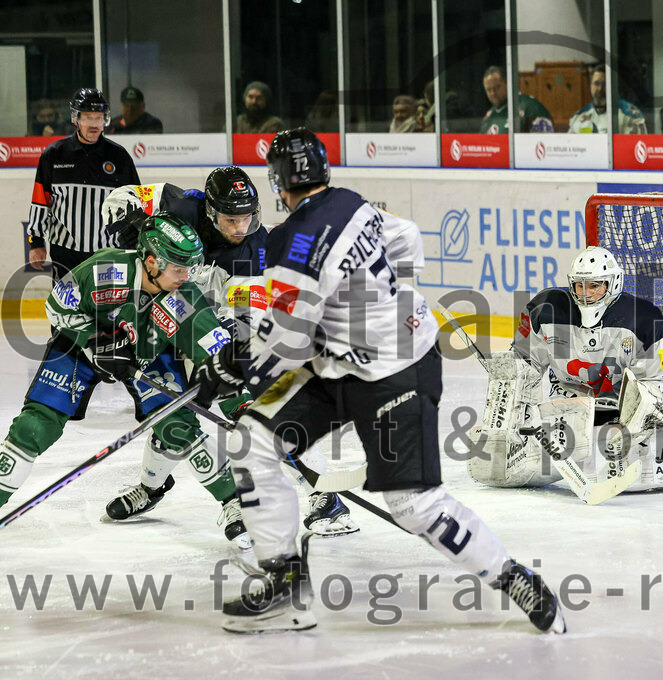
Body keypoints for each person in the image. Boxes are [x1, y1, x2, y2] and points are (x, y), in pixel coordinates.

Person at [195, 127, 566, 635]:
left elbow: (283, 333)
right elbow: (407, 235)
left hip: (395, 375)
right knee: (255, 440)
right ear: (323, 171)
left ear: (277, 184)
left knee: (414, 505)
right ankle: (285, 583)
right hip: (335, 367)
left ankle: (511, 575)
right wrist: (394, 298)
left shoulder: (293, 242)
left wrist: (227, 363)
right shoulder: (354, 204)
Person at [99, 170, 356, 538]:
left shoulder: (254, 252)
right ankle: (152, 486)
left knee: (254, 406)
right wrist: (135, 224)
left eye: (247, 217)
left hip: (208, 324)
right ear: (209, 211)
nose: (240, 227)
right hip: (155, 316)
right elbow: (118, 199)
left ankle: (325, 495)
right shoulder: (176, 203)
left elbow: (245, 320)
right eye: (231, 219)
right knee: (168, 410)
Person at [0, 215, 251, 554]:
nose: (186, 276)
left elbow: (220, 357)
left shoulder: (183, 298)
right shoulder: (104, 269)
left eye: (189, 267)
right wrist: (93, 339)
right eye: (178, 268)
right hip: (78, 348)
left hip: (145, 356)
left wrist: (242, 407)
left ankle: (233, 503)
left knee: (177, 426)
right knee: (34, 427)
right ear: (151, 261)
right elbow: (56, 305)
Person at [466, 246, 663, 492]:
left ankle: (619, 455)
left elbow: (659, 385)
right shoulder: (547, 308)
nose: (586, 294)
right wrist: (508, 417)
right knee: (499, 459)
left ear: (612, 284)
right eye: (580, 285)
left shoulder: (644, 318)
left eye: (595, 285)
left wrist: (633, 429)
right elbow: (523, 368)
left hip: (621, 419)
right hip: (565, 416)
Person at [27, 88, 141, 284]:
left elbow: (135, 203)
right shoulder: (53, 155)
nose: (94, 124)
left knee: (104, 312)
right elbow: (40, 201)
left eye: (99, 118)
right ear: (76, 119)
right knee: (66, 310)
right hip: (65, 252)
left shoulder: (119, 157)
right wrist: (36, 242)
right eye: (88, 117)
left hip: (107, 252)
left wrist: (135, 240)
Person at [568, 68, 646, 134]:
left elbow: (638, 146)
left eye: (605, 84)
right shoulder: (579, 116)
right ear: (590, 86)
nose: (600, 89)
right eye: (596, 83)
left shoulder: (629, 114)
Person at [479, 65, 553, 134]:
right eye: (489, 90)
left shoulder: (530, 107)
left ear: (508, 84)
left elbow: (544, 142)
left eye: (497, 87)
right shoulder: (488, 117)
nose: (493, 93)